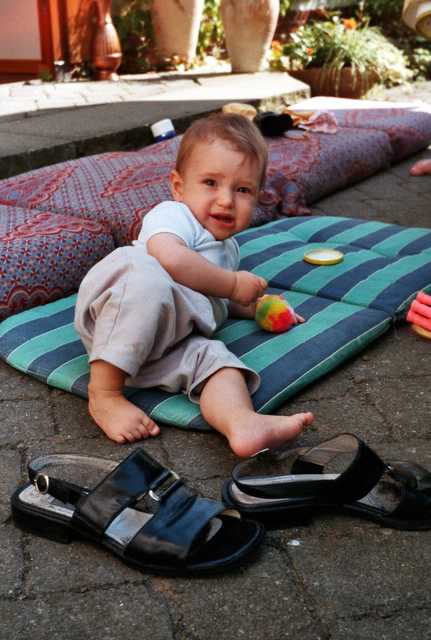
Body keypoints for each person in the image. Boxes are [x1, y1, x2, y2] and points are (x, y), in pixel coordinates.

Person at [75, 113, 314, 457]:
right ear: (179, 186)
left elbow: (215, 297)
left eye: (242, 190)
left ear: (258, 197)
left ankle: (241, 422)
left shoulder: (228, 249)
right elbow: (170, 258)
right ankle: (105, 394)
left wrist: (254, 306)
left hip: (166, 346)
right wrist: (232, 284)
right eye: (210, 183)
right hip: (116, 319)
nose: (226, 200)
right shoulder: (174, 215)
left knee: (218, 361)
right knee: (144, 276)